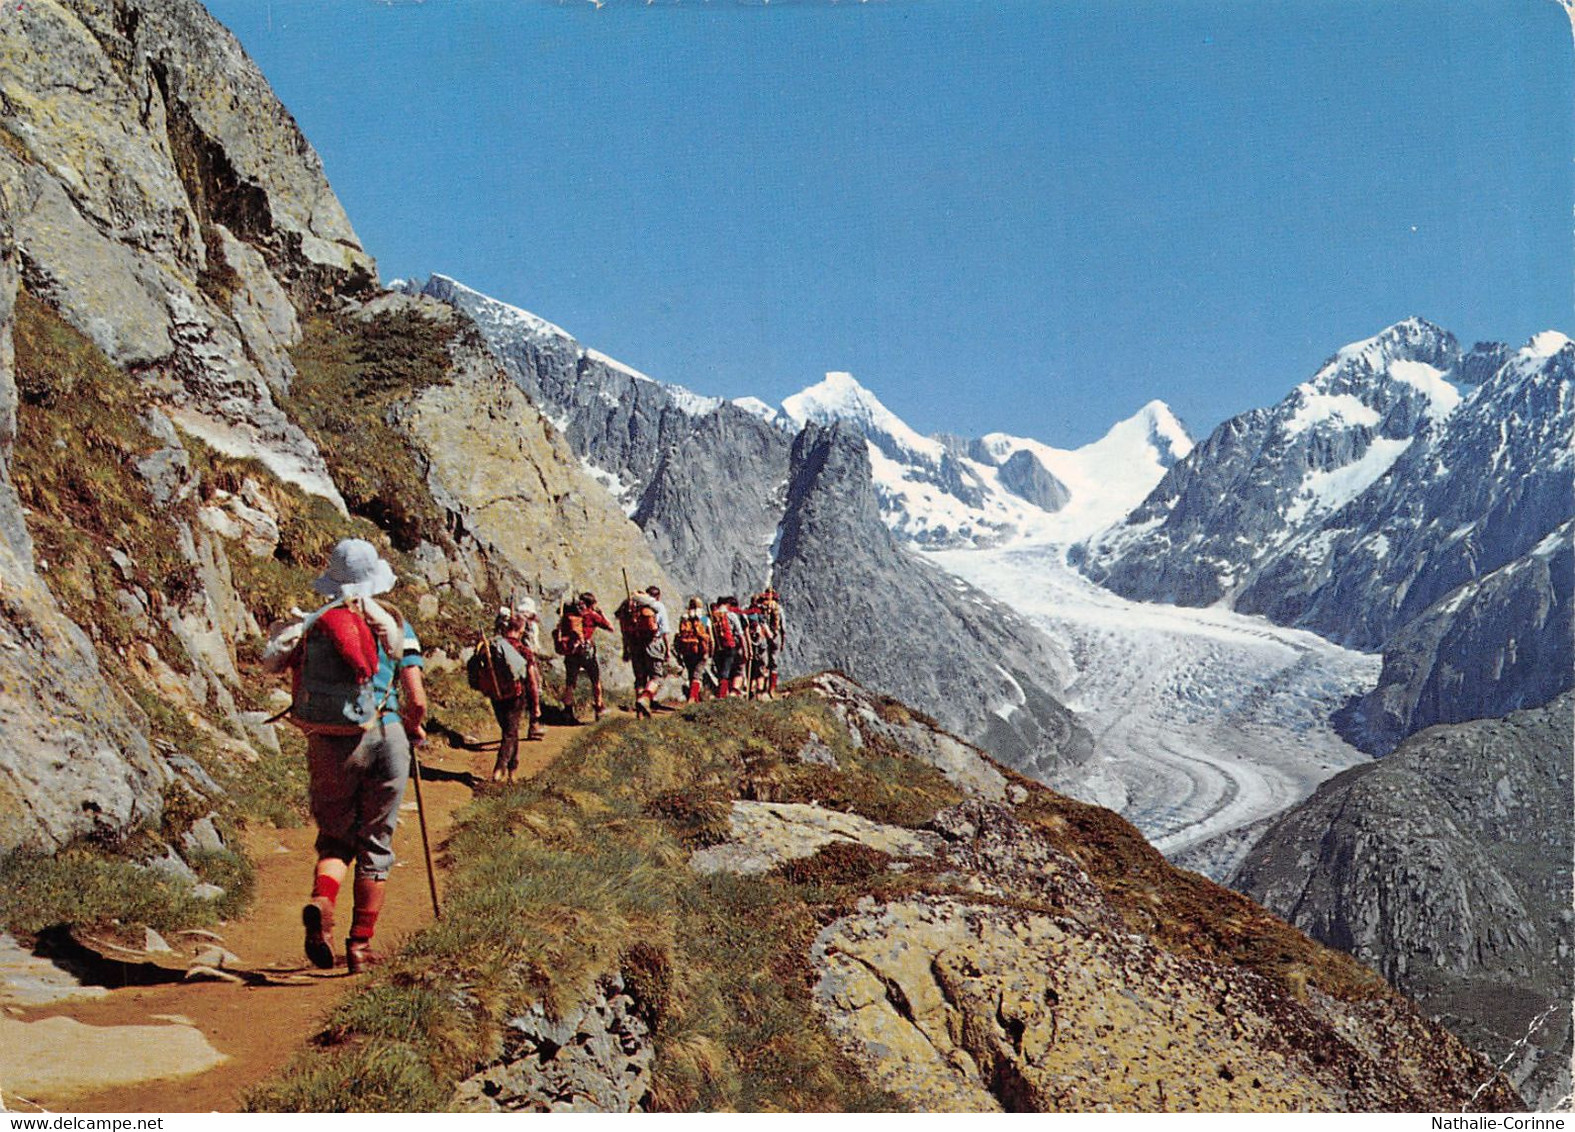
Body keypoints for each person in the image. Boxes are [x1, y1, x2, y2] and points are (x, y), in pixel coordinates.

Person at [270, 538, 426, 975]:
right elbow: (417, 697)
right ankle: (359, 946)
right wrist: (413, 727)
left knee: (336, 838)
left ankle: (323, 901)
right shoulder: (395, 622)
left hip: (332, 740)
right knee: (377, 841)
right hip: (388, 734)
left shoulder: (315, 624)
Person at [469, 607, 537, 784]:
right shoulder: (523, 650)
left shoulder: (492, 646)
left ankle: (513, 771)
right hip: (516, 695)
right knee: (510, 731)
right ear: (521, 630)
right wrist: (535, 706)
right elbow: (532, 681)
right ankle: (500, 769)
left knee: (510, 730)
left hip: (495, 693)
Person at [557, 591, 613, 722]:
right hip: (587, 652)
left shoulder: (569, 615)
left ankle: (567, 711)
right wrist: (601, 614)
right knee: (595, 680)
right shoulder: (592, 616)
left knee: (570, 682)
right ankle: (599, 708)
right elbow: (610, 627)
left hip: (571, 651)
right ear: (591, 604)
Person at [616, 586, 668, 718]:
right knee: (656, 678)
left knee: (640, 679)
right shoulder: (657, 606)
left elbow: (624, 632)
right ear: (657, 596)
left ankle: (640, 714)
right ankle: (645, 699)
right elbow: (664, 630)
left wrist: (626, 649)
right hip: (653, 644)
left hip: (635, 646)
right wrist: (666, 649)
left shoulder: (630, 610)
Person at [673, 596, 713, 703]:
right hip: (701, 649)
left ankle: (694, 698)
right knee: (697, 675)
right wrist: (711, 651)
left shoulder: (684, 617)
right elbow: (710, 637)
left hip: (688, 649)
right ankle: (692, 699)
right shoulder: (704, 619)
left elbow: (680, 634)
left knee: (691, 674)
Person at [709, 595, 749, 699]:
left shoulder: (711, 615)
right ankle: (723, 696)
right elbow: (740, 634)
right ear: (727, 604)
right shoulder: (731, 615)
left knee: (721, 670)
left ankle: (722, 693)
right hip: (730, 646)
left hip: (717, 646)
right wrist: (746, 650)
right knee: (726, 671)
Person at [755, 587, 785, 698]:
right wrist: (782, 642)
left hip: (763, 636)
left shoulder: (760, 607)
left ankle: (760, 690)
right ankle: (771, 689)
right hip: (776, 637)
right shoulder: (779, 609)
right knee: (774, 663)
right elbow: (783, 628)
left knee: (763, 663)